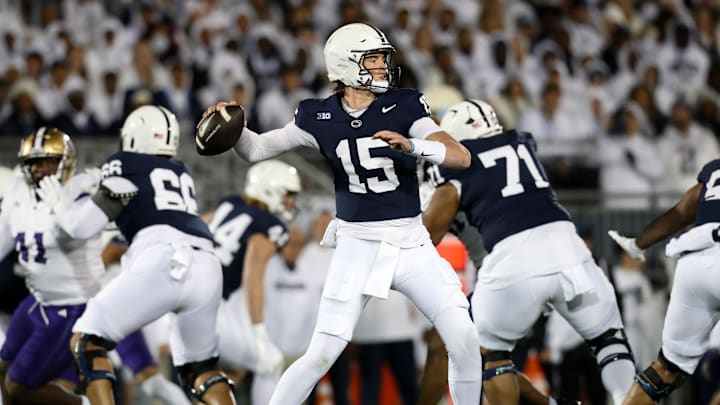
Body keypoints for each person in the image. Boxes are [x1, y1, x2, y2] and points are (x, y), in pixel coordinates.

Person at [206, 22, 482, 405]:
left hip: (411, 241)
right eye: (373, 59)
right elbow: (255, 149)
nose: (383, 67)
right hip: (357, 245)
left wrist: (414, 145)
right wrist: (231, 125)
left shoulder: (404, 105)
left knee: (464, 336)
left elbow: (459, 155)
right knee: (320, 353)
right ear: (346, 65)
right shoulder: (317, 116)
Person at [422, 99, 636, 405]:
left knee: (485, 358)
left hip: (512, 263)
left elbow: (428, 232)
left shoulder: (457, 166)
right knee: (610, 342)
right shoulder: (523, 142)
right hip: (567, 249)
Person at [38, 106, 235, 405]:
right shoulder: (181, 171)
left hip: (165, 261)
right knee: (201, 369)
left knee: (87, 340)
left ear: (134, 135)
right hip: (207, 264)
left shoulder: (124, 163)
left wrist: (60, 204)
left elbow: (81, 227)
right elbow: (148, 217)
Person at [608, 157, 720, 405]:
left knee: (665, 371)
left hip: (694, 263)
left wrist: (637, 244)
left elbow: (681, 212)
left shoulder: (715, 171)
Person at [0, 128, 98, 405]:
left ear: (65, 163)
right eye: (35, 162)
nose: (42, 169)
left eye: (49, 161)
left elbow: (80, 229)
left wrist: (60, 206)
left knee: (19, 386)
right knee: (3, 371)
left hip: (72, 304)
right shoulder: (19, 192)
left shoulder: (80, 191)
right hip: (39, 299)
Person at [204, 159, 301, 404]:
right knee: (270, 363)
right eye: (288, 194)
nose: (292, 202)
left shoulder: (229, 205)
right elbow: (252, 275)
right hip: (212, 311)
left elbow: (197, 226)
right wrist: (259, 331)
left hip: (189, 299)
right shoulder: (269, 225)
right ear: (271, 189)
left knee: (233, 370)